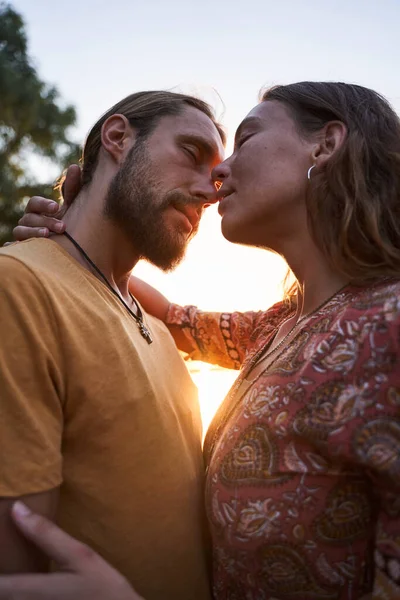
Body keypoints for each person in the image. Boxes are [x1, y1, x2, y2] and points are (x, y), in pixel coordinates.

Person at [3, 81, 400, 599]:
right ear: (117, 138)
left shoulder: (388, 324)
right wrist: (69, 233)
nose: (216, 179)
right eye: (193, 152)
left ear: (325, 146)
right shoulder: (279, 328)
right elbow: (165, 314)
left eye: (247, 138)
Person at [0, 89, 225, 600]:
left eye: (215, 181)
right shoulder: (19, 287)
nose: (208, 193)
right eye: (192, 155)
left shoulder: (160, 330)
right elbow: (17, 576)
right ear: (119, 137)